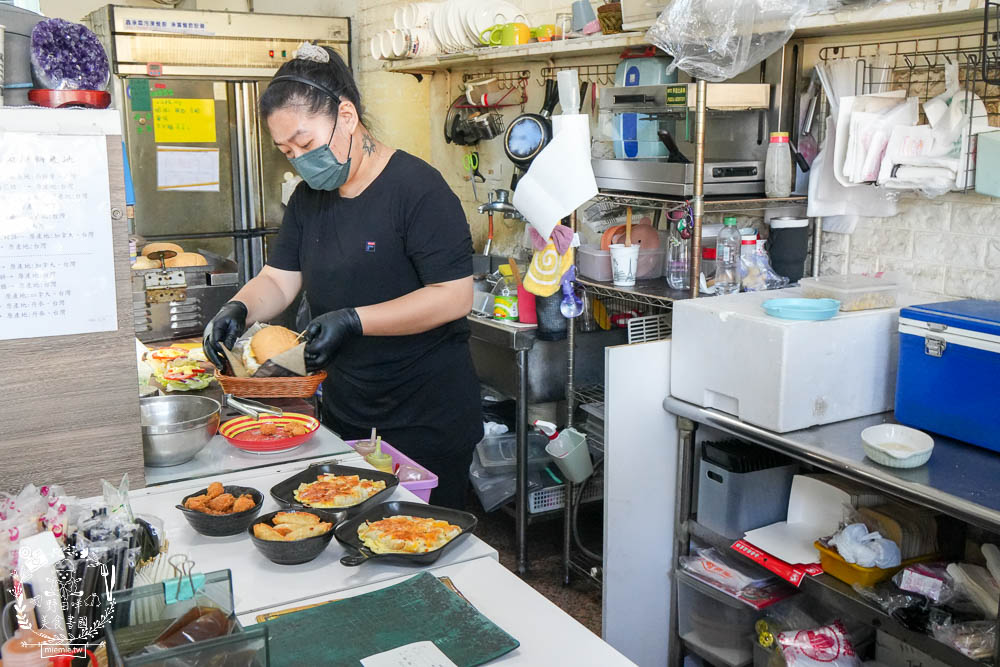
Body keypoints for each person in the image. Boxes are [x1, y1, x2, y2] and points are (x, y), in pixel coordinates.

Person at [203, 44, 482, 508]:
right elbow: (279, 278)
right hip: (344, 410)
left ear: (347, 116)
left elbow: (452, 296)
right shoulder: (309, 199)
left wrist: (354, 320)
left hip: (424, 417)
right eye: (286, 150)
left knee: (413, 545)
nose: (299, 160)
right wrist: (240, 307)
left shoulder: (417, 190)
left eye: (306, 143)